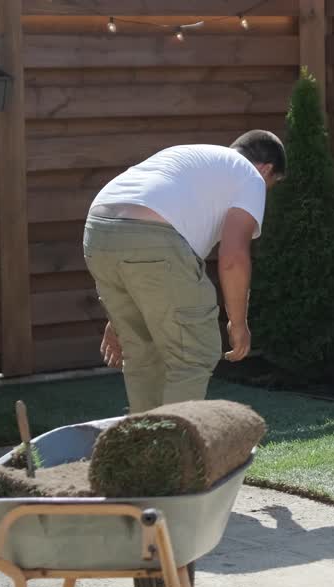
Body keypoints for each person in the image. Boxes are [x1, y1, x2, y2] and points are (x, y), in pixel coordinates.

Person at [83, 130, 285, 414]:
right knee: (195, 352)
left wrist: (119, 319)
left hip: (98, 231)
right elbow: (233, 257)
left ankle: (143, 448)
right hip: (152, 238)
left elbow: (150, 260)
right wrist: (238, 323)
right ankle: (173, 450)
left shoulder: (198, 161)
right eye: (271, 185)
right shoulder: (250, 176)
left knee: (143, 355)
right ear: (266, 169)